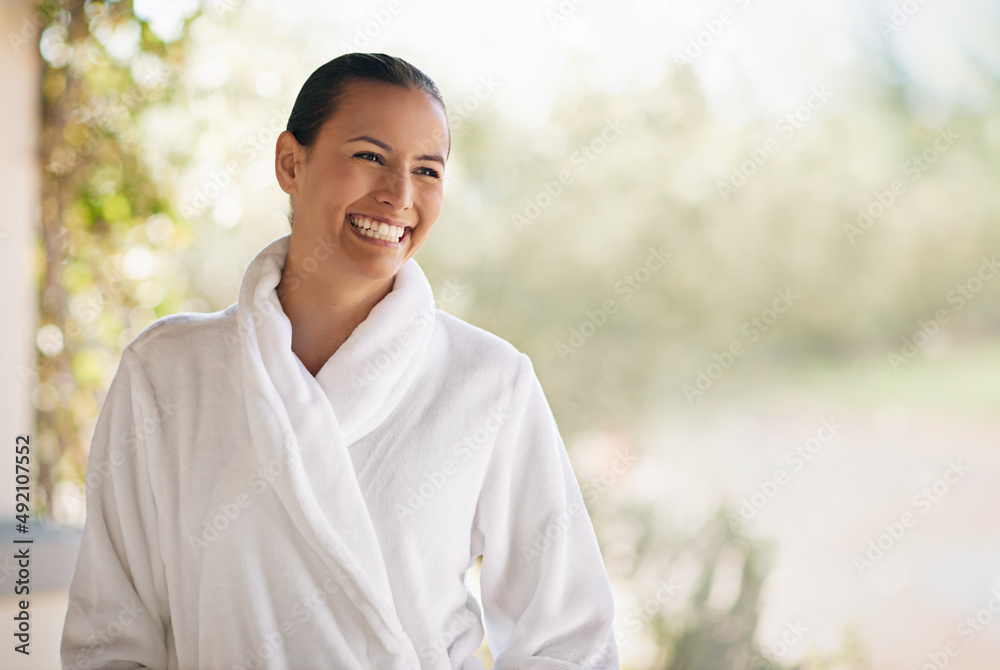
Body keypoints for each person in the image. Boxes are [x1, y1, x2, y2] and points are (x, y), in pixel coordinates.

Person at [61, 53, 620, 670]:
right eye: (370, 157)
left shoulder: (489, 382)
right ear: (289, 163)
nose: (400, 195)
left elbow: (571, 642)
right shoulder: (166, 374)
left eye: (428, 170)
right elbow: (108, 637)